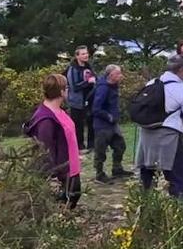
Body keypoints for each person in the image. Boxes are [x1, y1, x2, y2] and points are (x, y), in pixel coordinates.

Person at [136, 55, 183, 198]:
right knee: (176, 174)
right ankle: (181, 208)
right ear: (182, 69)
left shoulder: (152, 83)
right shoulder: (181, 89)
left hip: (147, 133)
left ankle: (145, 204)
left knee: (147, 173)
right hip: (170, 135)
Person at [24, 74, 82, 209]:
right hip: (62, 174)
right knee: (64, 207)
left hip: (72, 168)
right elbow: (44, 152)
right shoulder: (46, 120)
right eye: (66, 88)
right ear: (61, 92)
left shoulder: (59, 111)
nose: (68, 90)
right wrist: (55, 178)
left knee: (74, 198)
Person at [91, 65, 133, 183]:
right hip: (102, 125)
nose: (121, 76)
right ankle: (99, 174)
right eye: (118, 73)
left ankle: (117, 169)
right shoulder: (103, 88)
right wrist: (108, 117)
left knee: (120, 146)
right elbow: (96, 108)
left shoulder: (113, 86)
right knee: (101, 151)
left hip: (113, 124)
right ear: (111, 75)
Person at [65, 46, 96, 151]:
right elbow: (74, 86)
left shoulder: (88, 67)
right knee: (78, 125)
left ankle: (92, 145)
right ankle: (79, 146)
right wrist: (87, 82)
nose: (86, 55)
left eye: (86, 53)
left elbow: (94, 78)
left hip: (90, 99)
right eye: (83, 54)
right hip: (77, 101)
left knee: (92, 122)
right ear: (77, 56)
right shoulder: (72, 69)